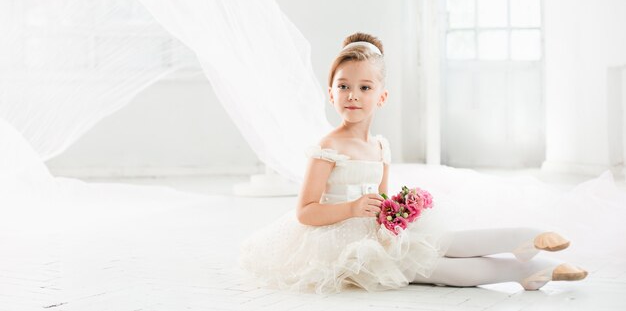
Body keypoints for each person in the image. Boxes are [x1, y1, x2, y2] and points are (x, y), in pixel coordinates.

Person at [238, 32, 588, 295]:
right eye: (343, 86)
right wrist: (353, 207)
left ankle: (524, 238)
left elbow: (382, 198)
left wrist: (397, 211)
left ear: (382, 96)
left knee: (444, 241)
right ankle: (526, 271)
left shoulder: (380, 147)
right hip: (341, 238)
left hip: (378, 231)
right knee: (435, 268)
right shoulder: (326, 148)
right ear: (331, 93)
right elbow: (306, 211)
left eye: (364, 87)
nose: (353, 96)